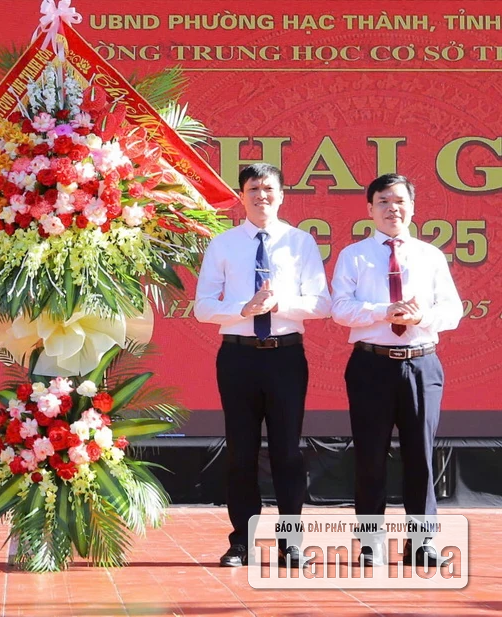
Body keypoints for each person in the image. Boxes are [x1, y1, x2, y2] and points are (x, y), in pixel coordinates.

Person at [194, 163, 331, 567]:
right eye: (252, 189)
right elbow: (203, 307)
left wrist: (278, 304)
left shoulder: (300, 242)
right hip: (237, 356)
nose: (261, 195)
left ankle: (292, 544)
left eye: (268, 188)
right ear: (241, 197)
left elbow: (321, 303)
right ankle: (243, 542)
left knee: (288, 452)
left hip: (285, 355)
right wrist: (244, 309)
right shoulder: (223, 244)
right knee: (241, 453)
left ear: (282, 194)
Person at [331, 174, 462, 566]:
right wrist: (381, 312)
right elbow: (340, 308)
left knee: (420, 456)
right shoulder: (353, 256)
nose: (393, 209)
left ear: (413, 207)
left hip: (422, 363)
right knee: (370, 454)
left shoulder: (430, 256)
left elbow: (452, 310)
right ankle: (370, 542)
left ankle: (421, 543)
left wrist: (423, 317)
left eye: (400, 201)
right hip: (371, 363)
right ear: (369, 209)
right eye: (384, 202)